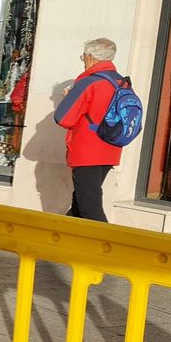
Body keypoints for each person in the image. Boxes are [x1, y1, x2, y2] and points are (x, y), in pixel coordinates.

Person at [54, 37, 125, 222]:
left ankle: (109, 246)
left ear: (91, 57)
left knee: (89, 208)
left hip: (87, 150)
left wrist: (68, 99)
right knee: (80, 203)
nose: (83, 60)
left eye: (83, 57)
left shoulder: (89, 82)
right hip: (111, 148)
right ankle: (62, 241)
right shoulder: (121, 82)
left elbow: (63, 118)